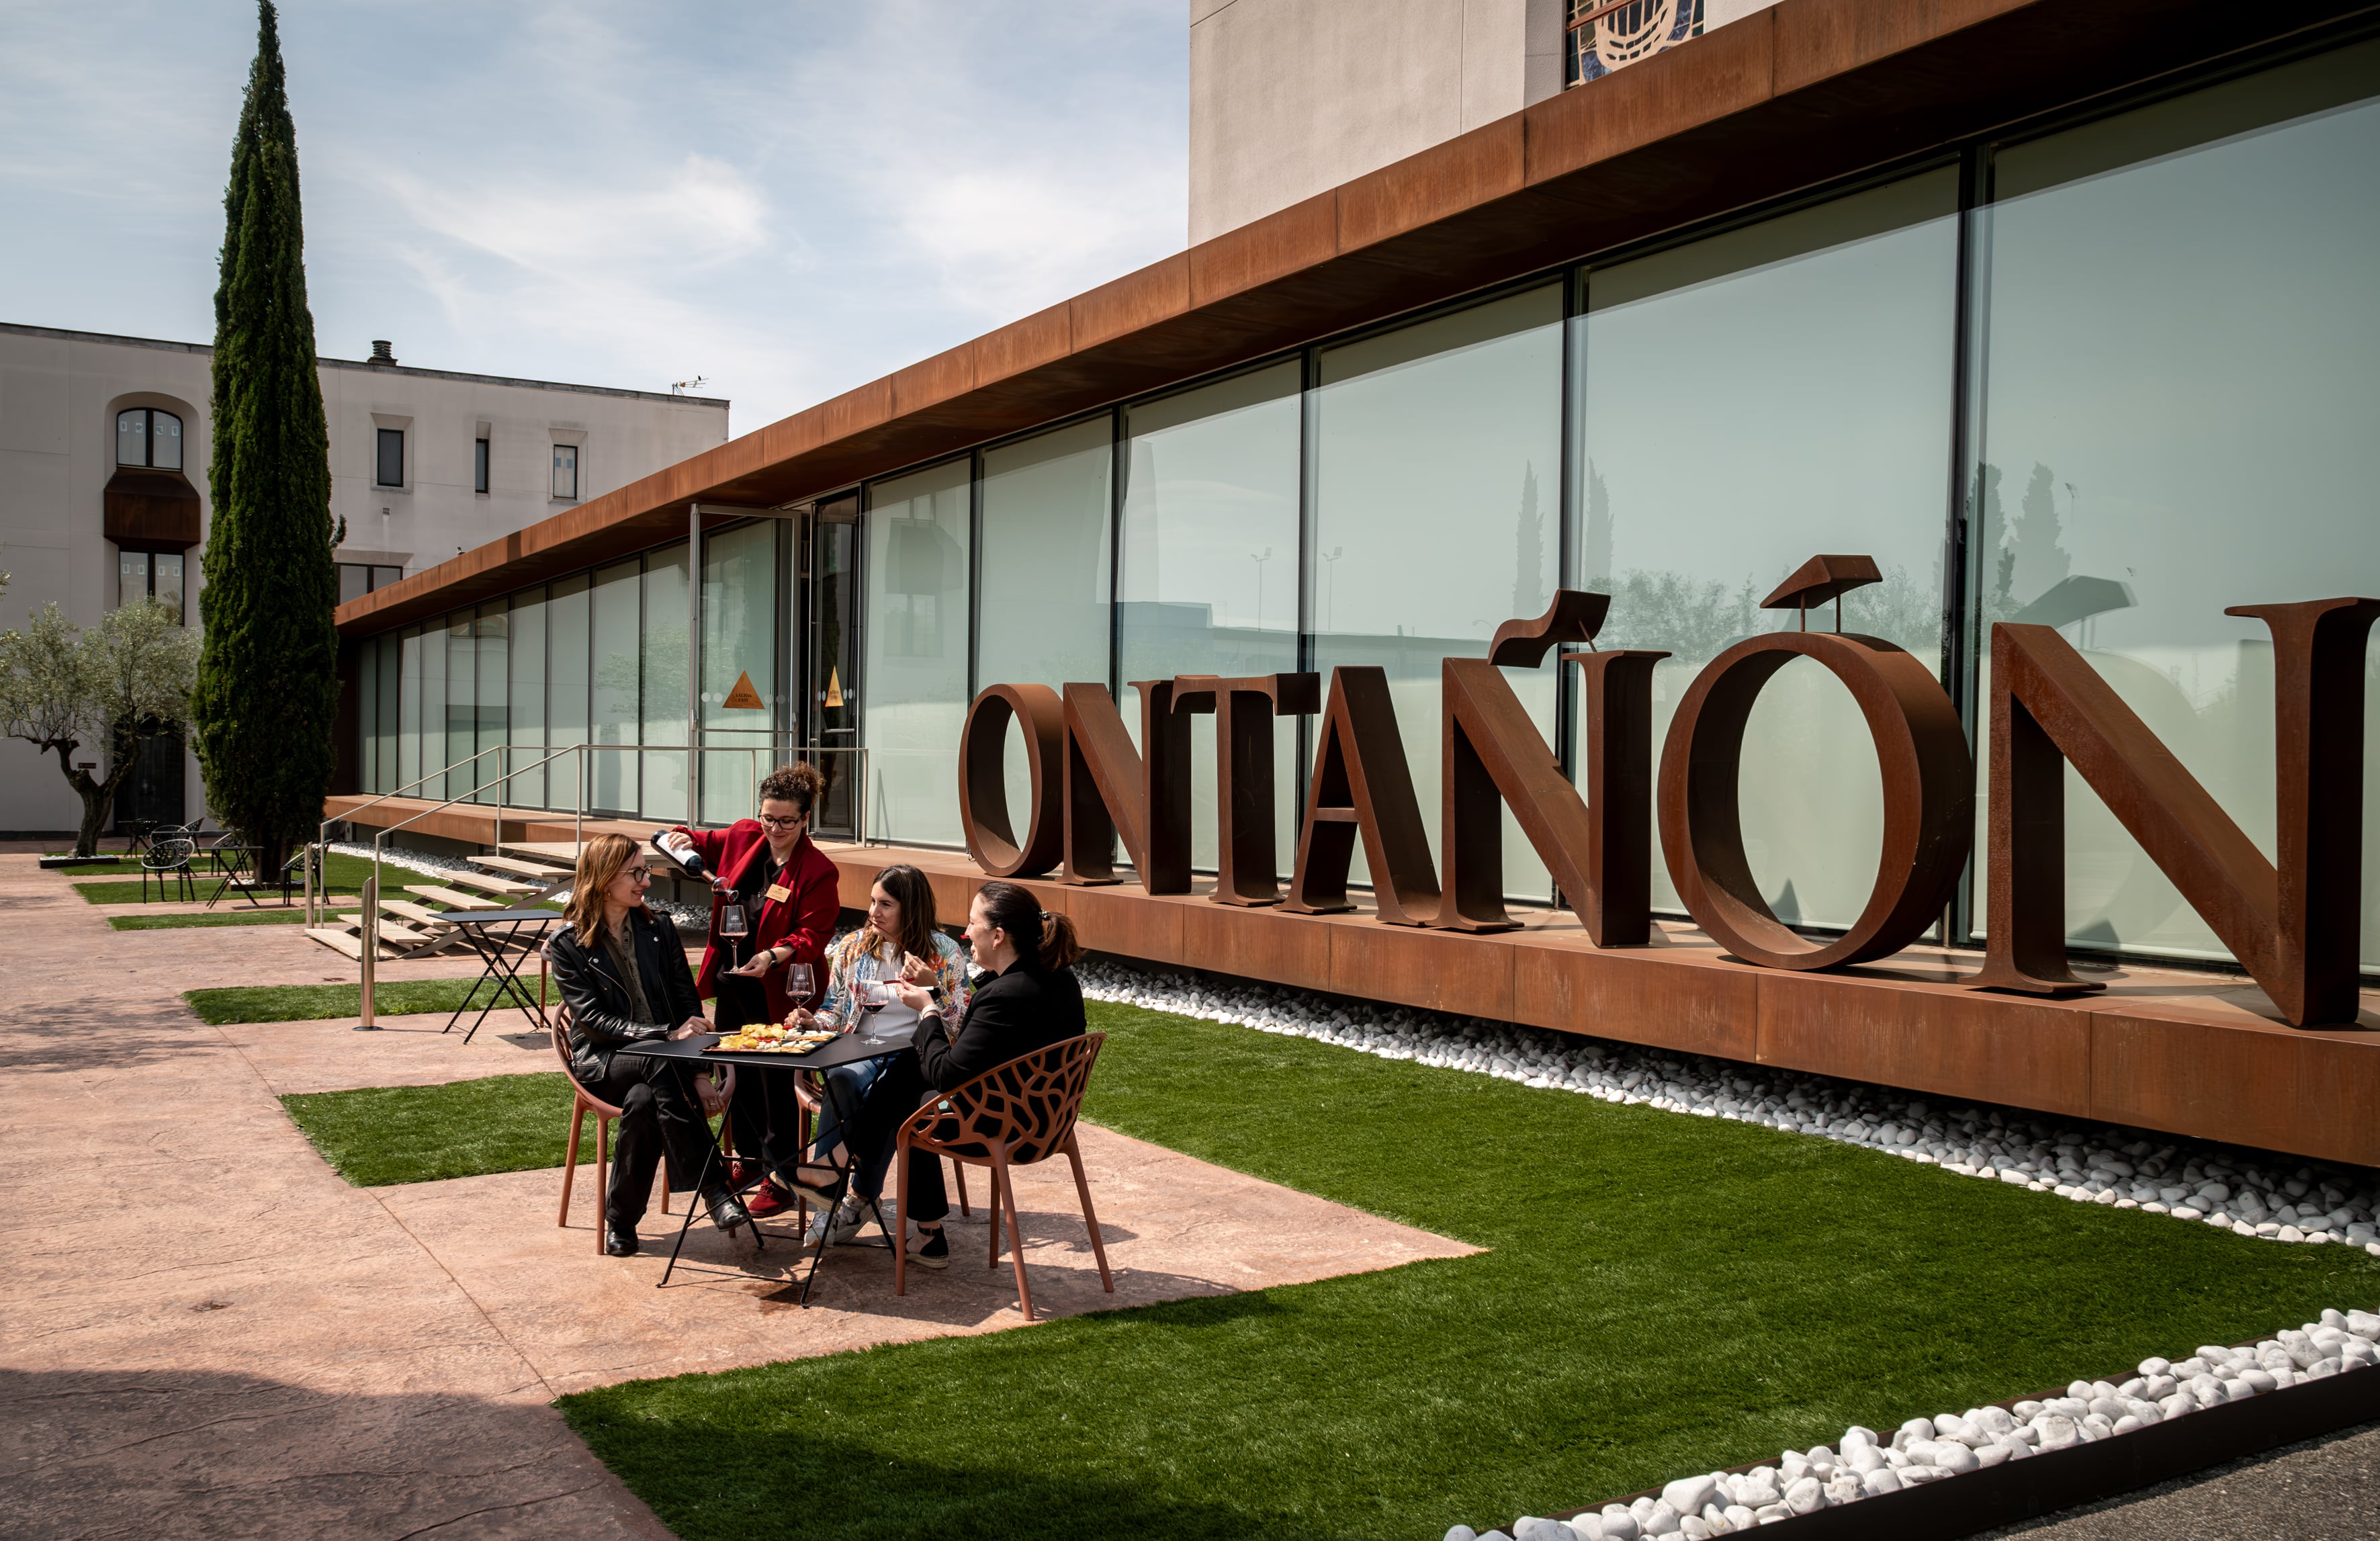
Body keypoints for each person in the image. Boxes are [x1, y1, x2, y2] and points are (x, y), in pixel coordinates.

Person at [801, 879, 1086, 1270]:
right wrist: (933, 1003)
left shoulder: (1002, 995)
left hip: (1006, 1129)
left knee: (914, 1100)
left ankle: (843, 1171)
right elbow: (975, 1052)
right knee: (908, 1075)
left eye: (973, 923)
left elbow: (947, 1075)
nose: (966, 932)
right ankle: (916, 1226)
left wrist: (927, 1009)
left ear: (998, 936)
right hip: (1048, 1118)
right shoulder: (1058, 979)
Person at [548, 834, 752, 1258]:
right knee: (655, 1061)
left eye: (646, 871)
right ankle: (714, 1188)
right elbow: (595, 1023)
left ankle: (620, 1222)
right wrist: (666, 1037)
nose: (646, 882)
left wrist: (699, 1072)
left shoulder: (658, 928)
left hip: (663, 1067)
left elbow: (687, 1003)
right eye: (636, 873)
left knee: (643, 1102)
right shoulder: (568, 945)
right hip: (604, 1063)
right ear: (604, 879)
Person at [657, 762, 839, 1218]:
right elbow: (694, 840)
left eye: (786, 821)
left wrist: (773, 956)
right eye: (768, 818)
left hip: (781, 989)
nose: (775, 829)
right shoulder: (743, 836)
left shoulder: (818, 870)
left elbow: (813, 935)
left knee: (775, 1083)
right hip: (734, 982)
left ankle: (781, 1177)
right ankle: (750, 1162)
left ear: (805, 819)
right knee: (735, 1072)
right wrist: (679, 837)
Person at [789, 864, 971, 1241]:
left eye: (885, 904)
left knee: (887, 1093)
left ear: (911, 908)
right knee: (841, 1079)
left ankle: (855, 1196)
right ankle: (831, 1201)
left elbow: (959, 1024)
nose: (874, 912)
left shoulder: (944, 952)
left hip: (915, 1059)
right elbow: (834, 1009)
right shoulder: (853, 947)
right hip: (860, 1051)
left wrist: (933, 990)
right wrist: (814, 1022)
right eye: (872, 902)